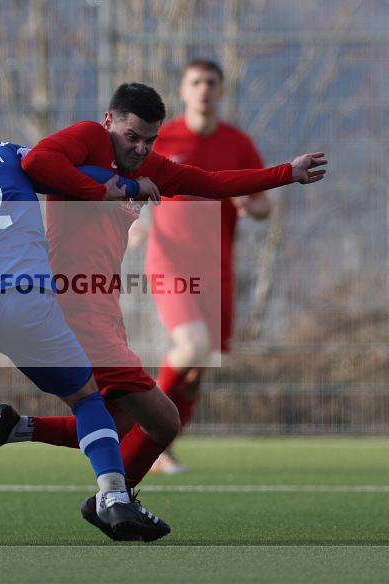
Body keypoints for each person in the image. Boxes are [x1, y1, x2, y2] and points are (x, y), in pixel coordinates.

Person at [0, 83, 327, 539]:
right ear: (110, 121)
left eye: (149, 139)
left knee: (119, 423)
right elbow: (35, 162)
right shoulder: (88, 136)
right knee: (163, 419)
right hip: (73, 306)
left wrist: (288, 172)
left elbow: (210, 184)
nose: (140, 147)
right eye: (132, 135)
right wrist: (120, 186)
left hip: (101, 307)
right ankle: (114, 500)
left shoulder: (148, 166)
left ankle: (16, 427)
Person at [0, 106, 170, 545]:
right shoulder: (4, 155)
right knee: (86, 398)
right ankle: (114, 495)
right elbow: (67, 170)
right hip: (31, 302)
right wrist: (131, 184)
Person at [135, 58, 272, 473]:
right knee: (191, 347)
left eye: (211, 82)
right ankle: (142, 432)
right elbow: (127, 181)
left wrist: (252, 203)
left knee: (199, 369)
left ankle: (160, 445)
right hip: (170, 260)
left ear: (221, 90)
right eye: (195, 82)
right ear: (182, 90)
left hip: (217, 267)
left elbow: (264, 205)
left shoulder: (237, 143)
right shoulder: (163, 138)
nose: (204, 89)